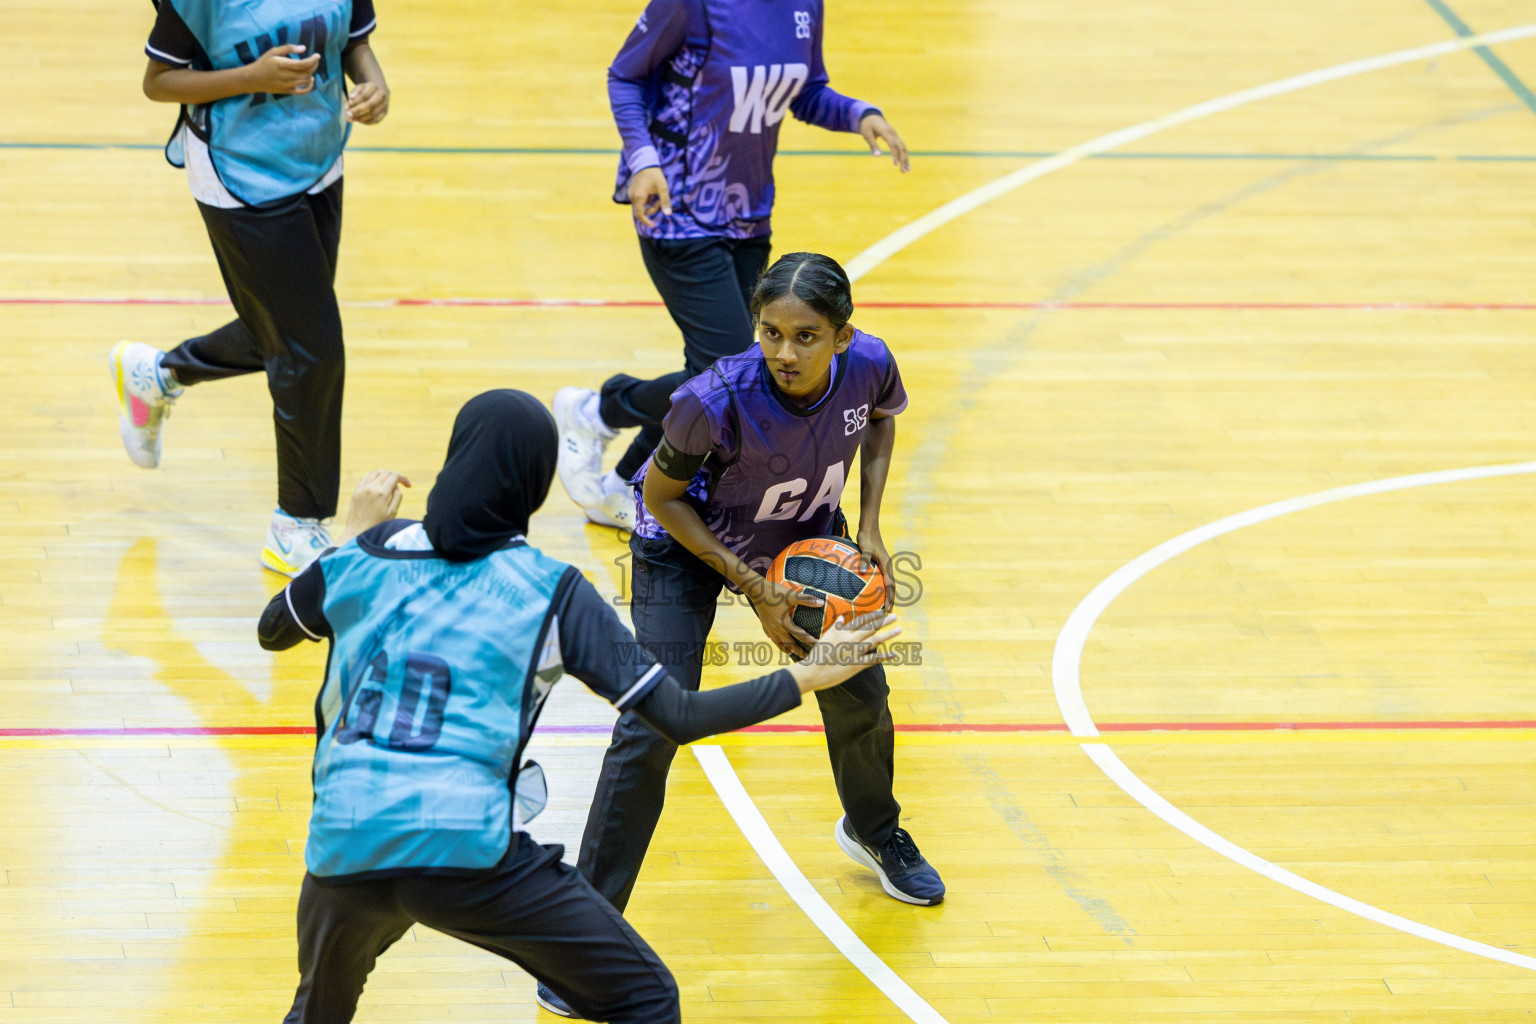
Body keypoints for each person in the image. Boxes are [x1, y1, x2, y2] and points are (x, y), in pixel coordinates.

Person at [257, 389, 900, 1024]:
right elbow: (675, 714)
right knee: (647, 998)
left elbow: (273, 630)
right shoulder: (551, 591)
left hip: (342, 849)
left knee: (317, 1012)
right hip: (464, 856)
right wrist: (808, 675)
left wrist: (349, 544)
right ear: (536, 489)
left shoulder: (368, 556)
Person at [540, 252, 940, 1017]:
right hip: (684, 546)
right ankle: (581, 940)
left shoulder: (872, 365)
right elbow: (658, 493)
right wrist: (753, 588)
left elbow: (882, 423)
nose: (785, 352)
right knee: (650, 721)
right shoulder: (708, 400)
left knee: (860, 687)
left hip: (803, 536)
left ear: (843, 337)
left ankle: (875, 830)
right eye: (770, 333)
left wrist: (877, 525)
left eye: (805, 336)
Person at [553, 0, 910, 531]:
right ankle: (604, 416)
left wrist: (859, 112)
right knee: (718, 368)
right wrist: (643, 159)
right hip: (675, 207)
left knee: (727, 368)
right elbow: (625, 75)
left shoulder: (804, 6)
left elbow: (804, 93)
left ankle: (618, 478)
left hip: (748, 212)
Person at [109, 0, 389, 577]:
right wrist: (253, 78)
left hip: (316, 159)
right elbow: (159, 82)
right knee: (313, 348)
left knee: (291, 332)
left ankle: (159, 373)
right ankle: (296, 524)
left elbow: (354, 41)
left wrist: (374, 86)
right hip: (240, 174)